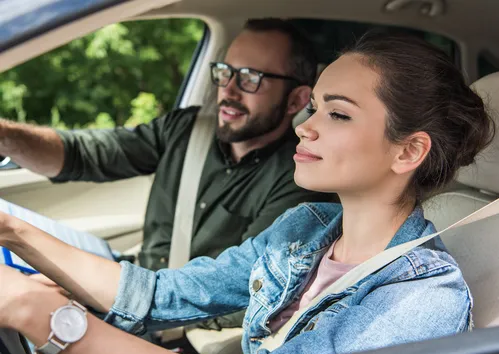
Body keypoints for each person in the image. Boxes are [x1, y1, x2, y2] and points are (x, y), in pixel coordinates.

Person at [0, 31, 494, 354]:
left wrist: (39, 315)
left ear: (408, 151)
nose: (305, 126)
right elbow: (161, 295)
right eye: (314, 106)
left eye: (338, 114)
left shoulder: (421, 300)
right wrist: (12, 232)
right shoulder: (306, 229)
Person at [0, 18, 332, 331]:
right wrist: (5, 136)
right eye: (224, 72)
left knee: (17, 311)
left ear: (296, 100)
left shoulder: (299, 183)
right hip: (122, 270)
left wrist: (91, 295)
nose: (228, 91)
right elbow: (85, 154)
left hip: (163, 317)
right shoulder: (187, 129)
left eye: (250, 79)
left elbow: (248, 295)